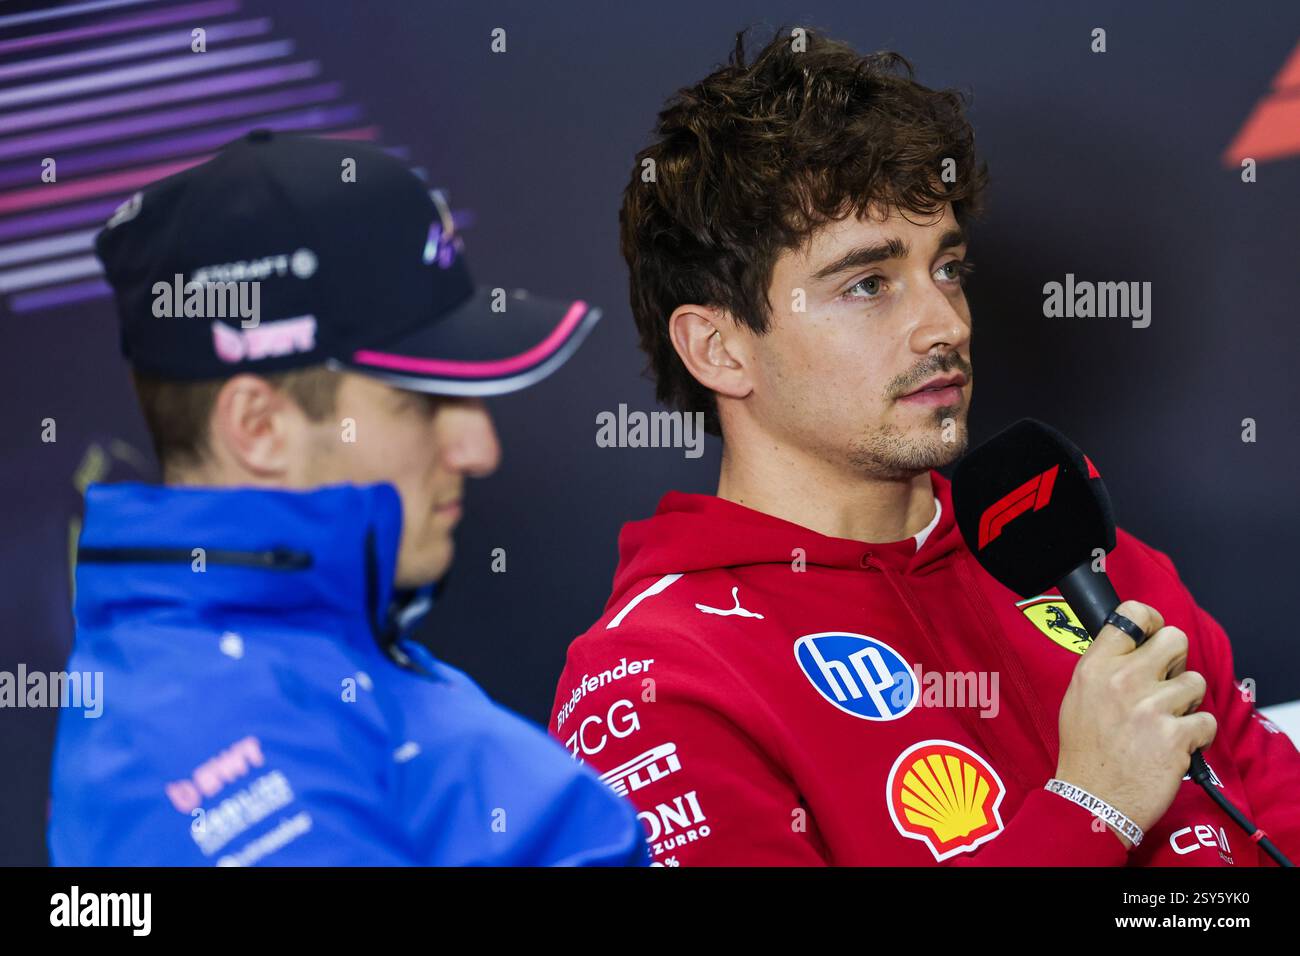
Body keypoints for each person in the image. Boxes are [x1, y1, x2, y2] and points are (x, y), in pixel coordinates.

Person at [548, 30, 1300, 866]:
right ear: (719, 349)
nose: (946, 325)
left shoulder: (1100, 567)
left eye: (947, 269)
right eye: (868, 284)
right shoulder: (659, 680)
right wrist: (1092, 808)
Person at [49, 130, 645, 866]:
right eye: (421, 400)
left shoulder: (337, 652)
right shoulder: (191, 729)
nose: (479, 450)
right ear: (260, 428)